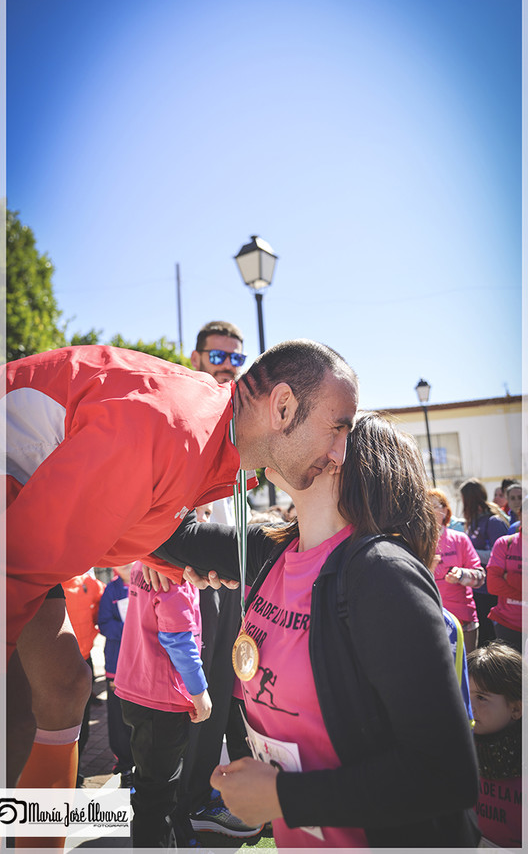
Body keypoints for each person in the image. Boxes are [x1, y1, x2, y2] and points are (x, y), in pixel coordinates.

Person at [5, 339, 357, 796]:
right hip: (12, 523)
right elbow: (17, 568)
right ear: (284, 406)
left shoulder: (212, 440)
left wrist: (172, 563)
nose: (340, 454)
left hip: (16, 513)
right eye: (337, 429)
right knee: (17, 712)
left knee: (62, 686)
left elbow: (138, 522)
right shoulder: (167, 430)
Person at [152, 412, 480, 848]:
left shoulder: (381, 573)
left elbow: (446, 775)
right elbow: (167, 536)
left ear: (334, 459)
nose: (279, 431)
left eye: (301, 426)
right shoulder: (273, 549)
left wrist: (282, 797)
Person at [181, 320, 261, 839]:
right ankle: (189, 800)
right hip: (191, 572)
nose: (228, 365)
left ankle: (216, 791)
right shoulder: (189, 408)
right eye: (217, 357)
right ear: (195, 358)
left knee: (232, 681)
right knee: (201, 686)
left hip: (232, 570)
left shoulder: (239, 418)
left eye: (236, 357)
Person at [114, 544, 212, 849]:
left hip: (136, 688)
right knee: (156, 796)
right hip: (161, 696)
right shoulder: (173, 577)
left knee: (150, 788)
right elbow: (178, 640)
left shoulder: (145, 565)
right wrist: (200, 691)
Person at [468, 641, 524, 848]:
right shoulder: (458, 749)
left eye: (481, 697)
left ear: (516, 709)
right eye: (467, 695)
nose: (470, 706)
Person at [428, 488, 485, 653]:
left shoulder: (460, 539)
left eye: (435, 506)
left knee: (466, 670)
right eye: (425, 507)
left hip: (463, 619)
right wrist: (427, 570)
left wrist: (461, 575)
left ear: (445, 510)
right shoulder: (417, 543)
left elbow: (480, 577)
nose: (430, 512)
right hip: (432, 619)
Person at [62, 570, 106, 786]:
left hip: (83, 661)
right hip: (52, 665)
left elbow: (103, 611)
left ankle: (73, 773)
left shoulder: (89, 583)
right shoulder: (45, 580)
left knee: (82, 723)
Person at [97, 563, 135, 787]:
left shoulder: (149, 583)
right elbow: (103, 624)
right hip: (117, 666)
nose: (126, 563)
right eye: (121, 560)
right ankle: (125, 766)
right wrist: (130, 629)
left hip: (143, 665)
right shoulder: (110, 590)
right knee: (119, 718)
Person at [459, 478, 510, 646]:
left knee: (495, 639)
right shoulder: (473, 522)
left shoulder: (493, 521)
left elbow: (499, 555)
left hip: (493, 591)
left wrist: (469, 553)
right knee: (485, 638)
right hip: (478, 590)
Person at [486, 499, 525, 652]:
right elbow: (493, 584)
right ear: (520, 514)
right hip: (507, 624)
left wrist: (510, 578)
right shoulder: (504, 544)